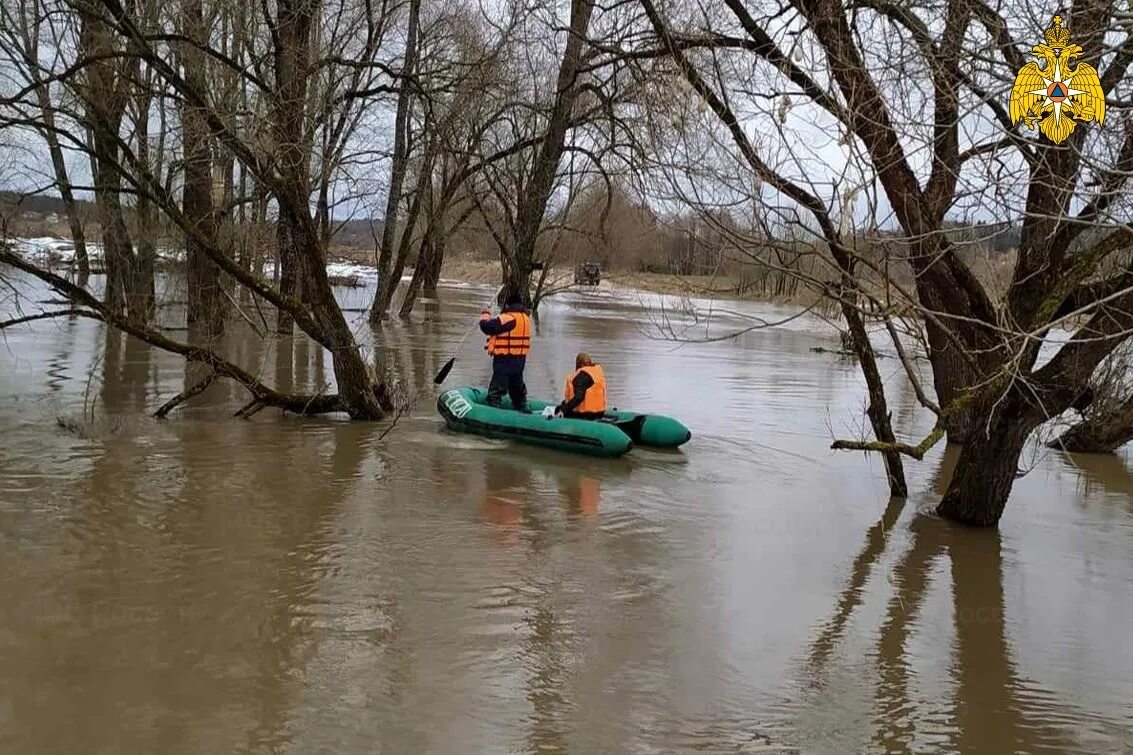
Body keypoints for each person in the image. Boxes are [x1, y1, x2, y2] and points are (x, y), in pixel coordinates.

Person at [479, 290, 531, 412]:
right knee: (517, 390)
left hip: (504, 361)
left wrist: (485, 313)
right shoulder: (525, 318)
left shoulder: (509, 318)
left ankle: (493, 413)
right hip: (519, 363)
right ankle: (522, 408)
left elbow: (487, 327)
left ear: (507, 305)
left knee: (496, 391)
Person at [555, 352, 607, 419]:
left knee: (558, 409)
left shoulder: (580, 378)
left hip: (585, 415)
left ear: (579, 364)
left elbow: (579, 397)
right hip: (600, 413)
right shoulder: (596, 373)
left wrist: (563, 410)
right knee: (563, 405)